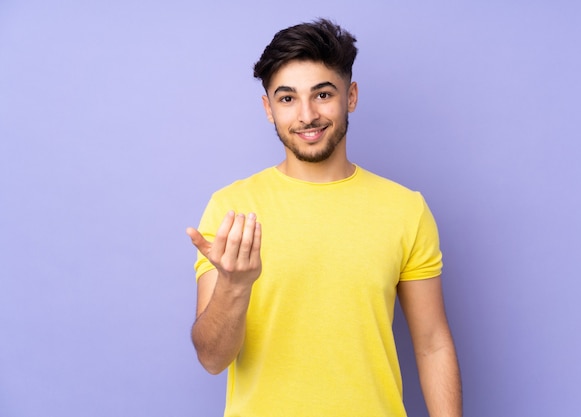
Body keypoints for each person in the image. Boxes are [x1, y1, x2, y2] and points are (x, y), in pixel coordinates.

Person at [186, 18, 462, 417]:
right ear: (268, 108)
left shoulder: (405, 209)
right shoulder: (231, 209)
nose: (306, 115)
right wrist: (233, 285)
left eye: (322, 94)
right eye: (287, 99)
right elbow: (212, 359)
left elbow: (433, 343)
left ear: (350, 96)